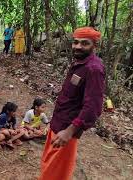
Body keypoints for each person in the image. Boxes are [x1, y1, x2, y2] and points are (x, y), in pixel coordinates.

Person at [39, 27, 105, 180]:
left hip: (66, 131)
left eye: (84, 43)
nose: (78, 46)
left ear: (95, 46)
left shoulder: (93, 69)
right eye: (75, 42)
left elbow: (92, 107)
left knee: (55, 174)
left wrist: (69, 132)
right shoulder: (79, 63)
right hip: (58, 124)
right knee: (48, 166)